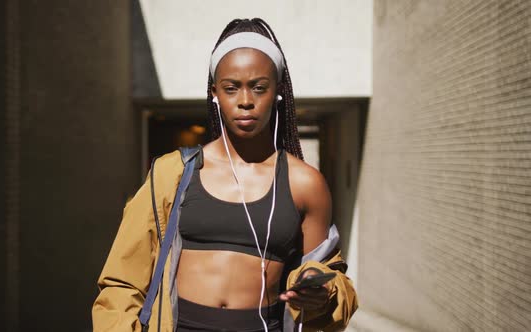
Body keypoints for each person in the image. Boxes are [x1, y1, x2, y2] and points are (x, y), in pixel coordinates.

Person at [92, 18, 357, 332]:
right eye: (232, 88)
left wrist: (321, 293)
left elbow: (330, 280)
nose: (245, 101)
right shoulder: (173, 173)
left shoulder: (305, 184)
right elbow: (122, 280)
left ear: (277, 92)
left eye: (259, 87)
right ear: (215, 92)